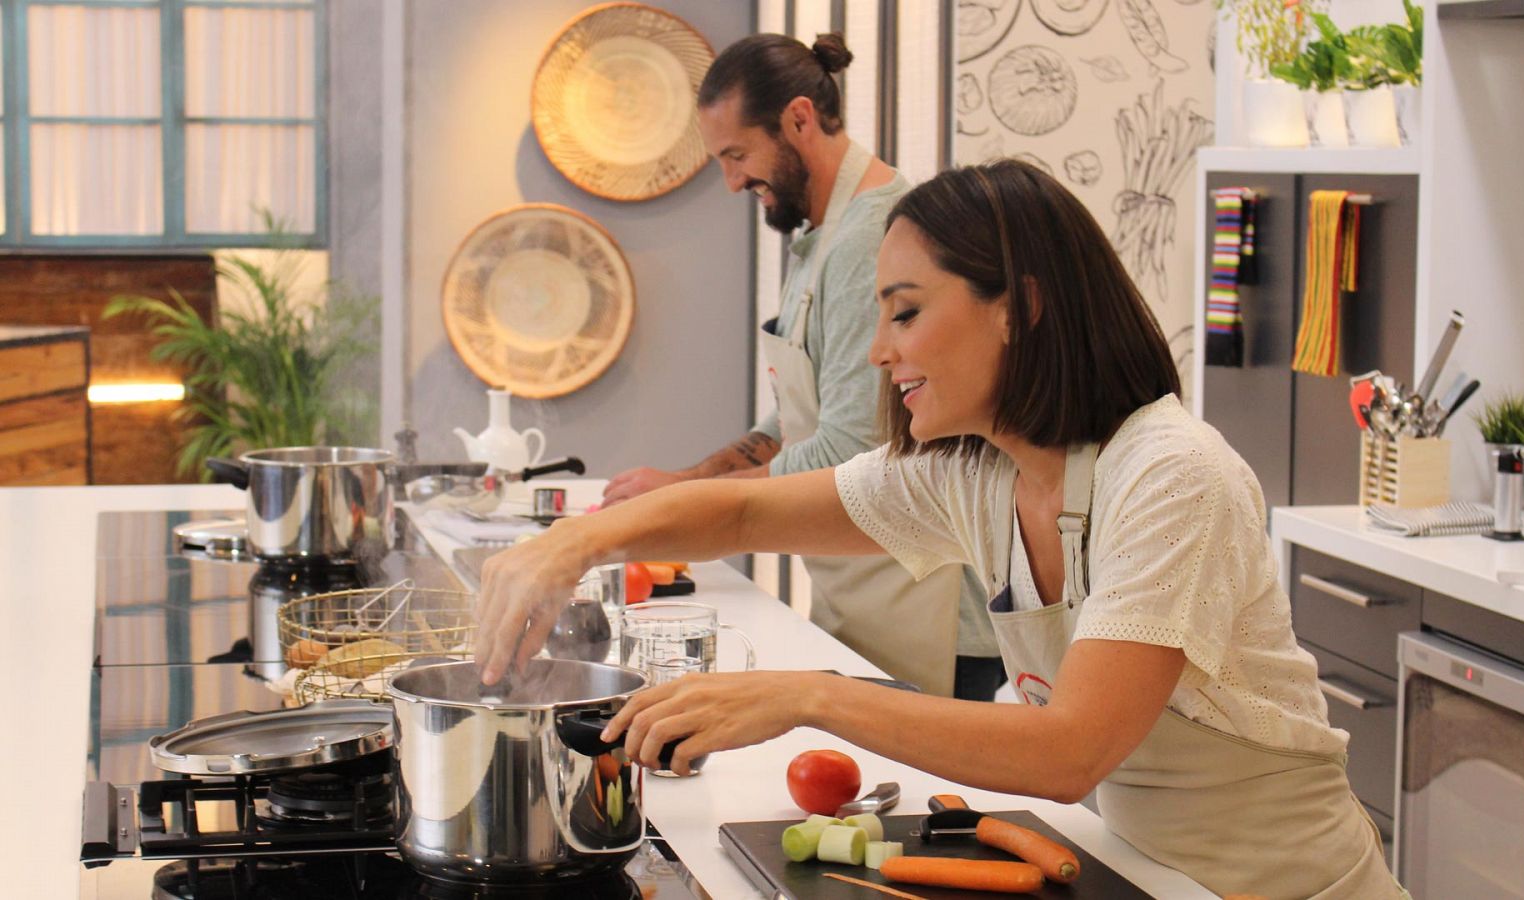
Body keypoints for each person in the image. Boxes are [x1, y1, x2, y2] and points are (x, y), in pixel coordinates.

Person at [477, 160, 1406, 898]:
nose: (881, 351)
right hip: (1143, 870)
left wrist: (815, 694)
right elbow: (748, 508)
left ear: (1023, 305)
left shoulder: (1170, 477)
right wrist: (568, 545)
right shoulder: (980, 473)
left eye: (907, 313)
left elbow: (1070, 750)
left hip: (1292, 887)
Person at [598, 31, 1002, 700]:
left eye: (737, 155)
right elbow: (796, 417)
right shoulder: (822, 237)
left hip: (925, 612)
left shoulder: (867, 237)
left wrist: (700, 507)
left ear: (798, 120)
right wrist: (684, 482)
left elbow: (852, 446)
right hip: (870, 594)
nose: (731, 182)